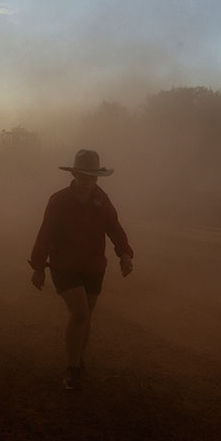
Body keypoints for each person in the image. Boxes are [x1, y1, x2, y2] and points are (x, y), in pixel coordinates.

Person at [29, 149, 133, 390]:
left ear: (98, 178)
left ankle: (78, 361)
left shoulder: (101, 199)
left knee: (85, 318)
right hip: (64, 266)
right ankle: (73, 370)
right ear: (75, 174)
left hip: (93, 266)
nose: (89, 182)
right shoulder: (58, 201)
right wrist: (38, 267)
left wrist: (125, 253)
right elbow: (45, 234)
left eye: (93, 177)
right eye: (84, 176)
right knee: (80, 315)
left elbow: (114, 228)